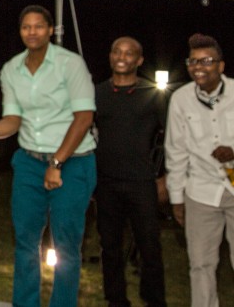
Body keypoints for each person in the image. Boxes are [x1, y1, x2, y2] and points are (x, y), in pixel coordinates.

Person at [0, 5, 96, 307]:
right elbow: (13, 118)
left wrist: (57, 163)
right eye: (26, 27)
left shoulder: (70, 64)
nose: (32, 32)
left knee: (66, 244)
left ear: (50, 30)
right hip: (28, 163)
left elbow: (84, 118)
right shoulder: (11, 69)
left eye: (38, 26)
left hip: (73, 162)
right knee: (25, 241)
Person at [93, 37, 167, 307]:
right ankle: (116, 300)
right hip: (106, 182)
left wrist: (166, 177)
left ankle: (154, 301)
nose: (122, 57)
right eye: (117, 52)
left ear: (139, 60)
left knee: (150, 246)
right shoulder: (97, 93)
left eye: (129, 53)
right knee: (110, 247)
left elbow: (173, 137)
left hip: (142, 183)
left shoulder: (153, 94)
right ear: (110, 56)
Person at [165, 33, 234, 307]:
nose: (198, 67)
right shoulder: (181, 99)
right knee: (201, 265)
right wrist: (177, 199)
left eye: (206, 61)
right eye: (193, 61)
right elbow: (176, 151)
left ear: (220, 65)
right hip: (201, 191)